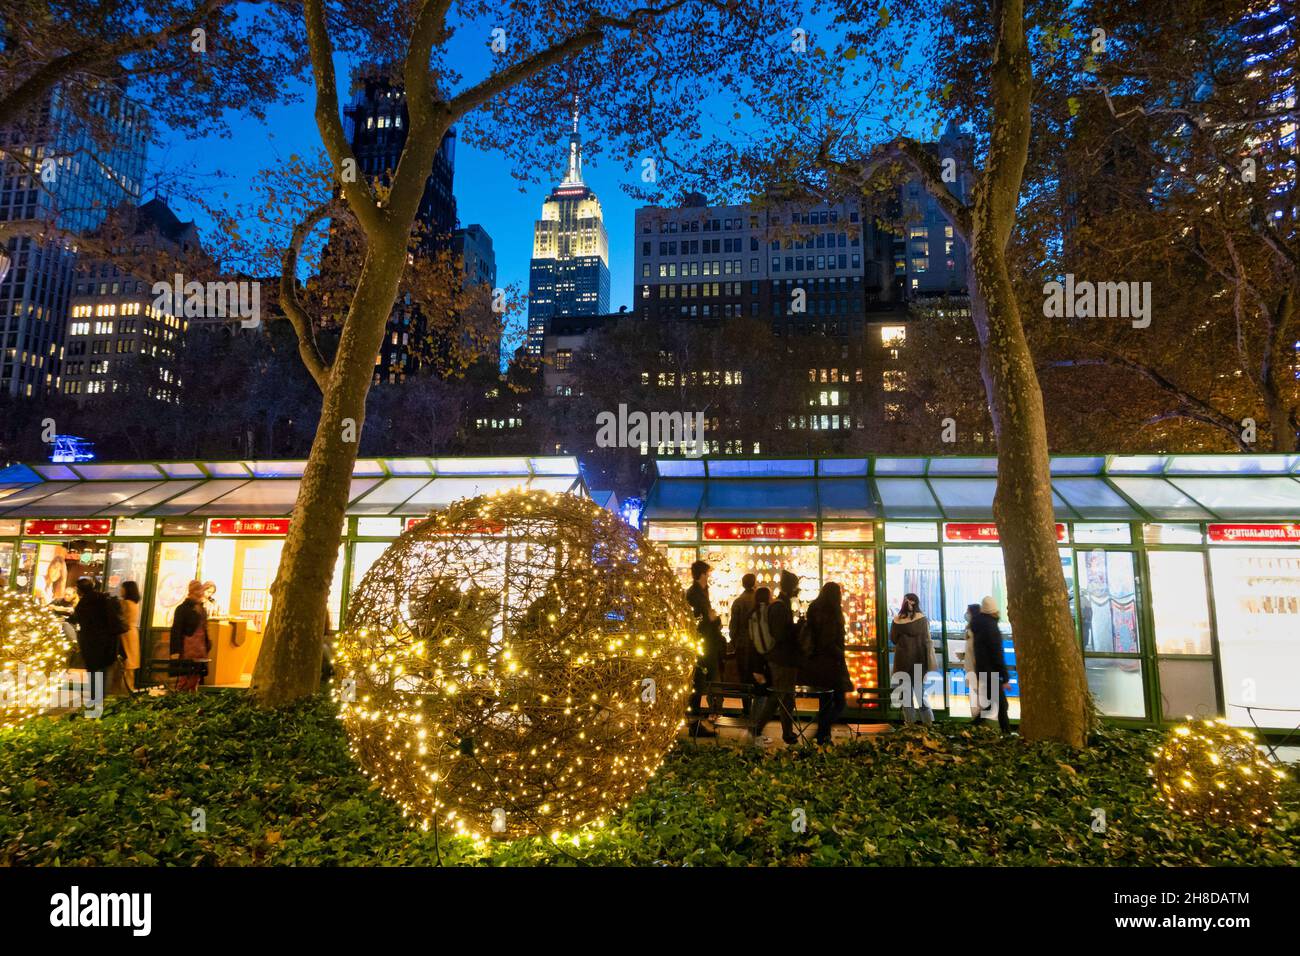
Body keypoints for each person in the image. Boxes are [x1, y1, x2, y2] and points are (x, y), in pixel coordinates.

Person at [760, 570, 803, 745]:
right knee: (780, 695)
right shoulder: (780, 606)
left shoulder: (780, 604)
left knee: (784, 696)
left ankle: (787, 732)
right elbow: (780, 634)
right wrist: (797, 628)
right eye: (796, 586)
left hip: (783, 658)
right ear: (791, 587)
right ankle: (758, 726)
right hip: (782, 659)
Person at [68, 577, 125, 704]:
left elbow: (79, 620)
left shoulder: (83, 604)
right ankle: (101, 699)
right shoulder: (104, 599)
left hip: (91, 642)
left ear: (79, 590)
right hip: (108, 641)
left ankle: (95, 700)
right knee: (105, 670)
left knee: (94, 672)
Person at [685, 560, 725, 737]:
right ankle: (697, 722)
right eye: (708, 573)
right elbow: (701, 618)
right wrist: (713, 618)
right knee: (700, 682)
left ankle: (707, 718)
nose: (709, 576)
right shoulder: (694, 593)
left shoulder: (701, 591)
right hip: (703, 644)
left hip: (709, 642)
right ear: (702, 574)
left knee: (707, 681)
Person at [890, 593, 935, 725]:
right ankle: (929, 725)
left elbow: (893, 639)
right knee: (921, 696)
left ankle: (909, 726)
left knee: (906, 698)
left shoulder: (897, 620)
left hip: (902, 662)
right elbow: (927, 639)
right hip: (919, 661)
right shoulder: (922, 619)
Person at [970, 595, 1011, 733]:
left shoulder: (977, 625)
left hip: (983, 670)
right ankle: (1007, 734)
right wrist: (1005, 677)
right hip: (991, 672)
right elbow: (997, 654)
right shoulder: (991, 627)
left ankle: (972, 727)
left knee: (990, 705)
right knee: (1002, 705)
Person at [744, 586, 776, 743]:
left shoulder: (752, 614)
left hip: (755, 660)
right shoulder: (765, 613)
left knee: (760, 696)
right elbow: (763, 641)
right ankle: (755, 731)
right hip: (763, 661)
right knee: (762, 696)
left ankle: (754, 728)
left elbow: (752, 639)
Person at [171, 580, 211, 693]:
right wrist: (175, 650)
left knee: (196, 674)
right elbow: (177, 629)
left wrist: (207, 644)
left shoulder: (201, 608)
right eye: (198, 590)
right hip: (189, 646)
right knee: (185, 674)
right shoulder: (184, 608)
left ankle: (191, 694)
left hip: (199, 646)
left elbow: (204, 627)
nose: (201, 593)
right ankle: (182, 694)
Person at [728, 573, 758, 712]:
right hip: (756, 644)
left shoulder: (738, 601)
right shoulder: (757, 600)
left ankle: (746, 708)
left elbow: (733, 625)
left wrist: (733, 640)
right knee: (756, 676)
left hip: (741, 643)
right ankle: (757, 709)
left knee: (744, 677)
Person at [119, 581, 142, 693]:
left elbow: (119, 618)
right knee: (131, 663)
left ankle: (124, 690)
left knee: (125, 661)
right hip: (133, 633)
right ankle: (130, 687)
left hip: (125, 633)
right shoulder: (135, 603)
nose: (120, 590)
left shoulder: (125, 603)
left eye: (122, 588)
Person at [960, 603, 982, 718]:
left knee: (976, 698)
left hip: (976, 670)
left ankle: (979, 722)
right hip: (971, 668)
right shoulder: (970, 630)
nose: (966, 614)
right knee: (974, 697)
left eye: (968, 612)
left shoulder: (975, 630)